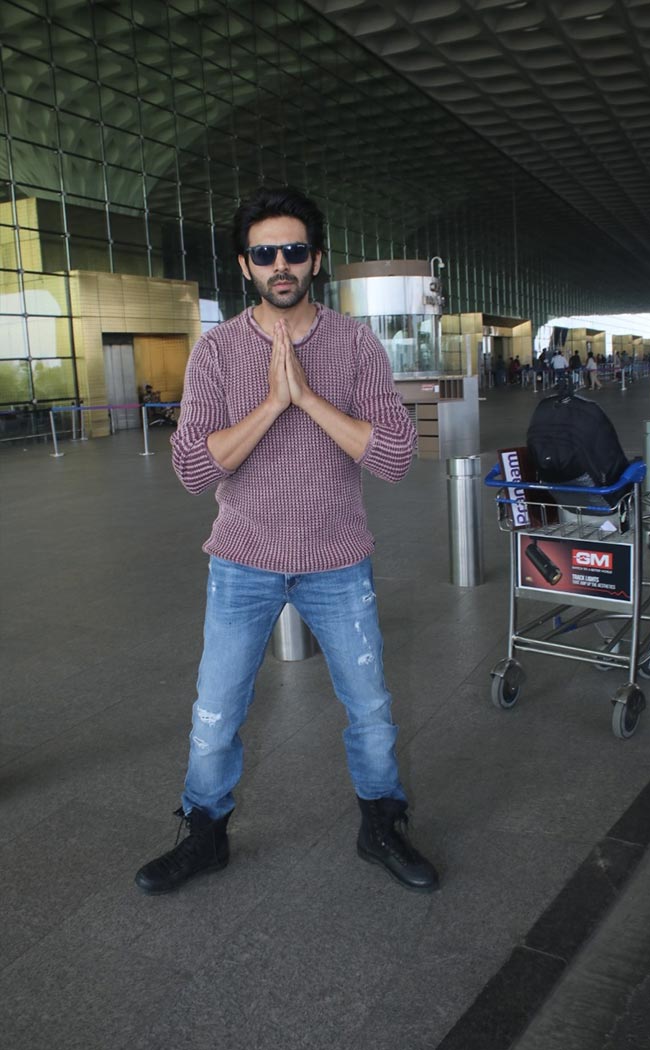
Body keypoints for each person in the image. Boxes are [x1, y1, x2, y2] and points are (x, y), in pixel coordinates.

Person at [134, 186, 439, 896]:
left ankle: (381, 825)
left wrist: (307, 397)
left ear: (316, 259)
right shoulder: (216, 352)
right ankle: (205, 835)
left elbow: (395, 457)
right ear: (245, 265)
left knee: (370, 710)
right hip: (242, 561)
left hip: (337, 558)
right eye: (265, 253)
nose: (281, 264)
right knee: (215, 713)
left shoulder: (355, 345)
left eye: (294, 251)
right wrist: (273, 403)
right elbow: (192, 469)